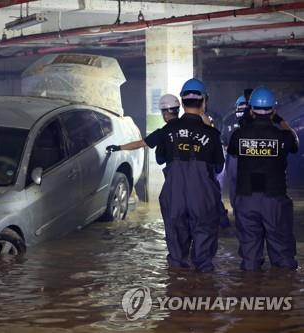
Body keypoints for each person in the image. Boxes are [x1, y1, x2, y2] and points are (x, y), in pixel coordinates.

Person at [113, 79, 225, 272]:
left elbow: (157, 154)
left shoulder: (169, 130)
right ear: (204, 102)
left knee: (176, 252)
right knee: (204, 252)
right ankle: (203, 296)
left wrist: (118, 148)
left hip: (175, 196)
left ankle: (177, 294)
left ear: (181, 104)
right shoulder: (212, 134)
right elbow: (218, 168)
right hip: (202, 197)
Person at [227, 86, 299, 271]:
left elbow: (233, 152)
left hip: (246, 198)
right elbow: (295, 143)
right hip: (274, 199)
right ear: (273, 110)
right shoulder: (282, 137)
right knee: (283, 255)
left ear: (251, 110)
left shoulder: (238, 135)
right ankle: (282, 294)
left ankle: (251, 295)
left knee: (250, 255)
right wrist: (280, 121)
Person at [106, 94, 180, 165]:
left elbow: (139, 144)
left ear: (166, 113)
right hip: (191, 173)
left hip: (174, 173)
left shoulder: (163, 132)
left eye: (162, 112)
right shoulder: (189, 127)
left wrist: (118, 148)